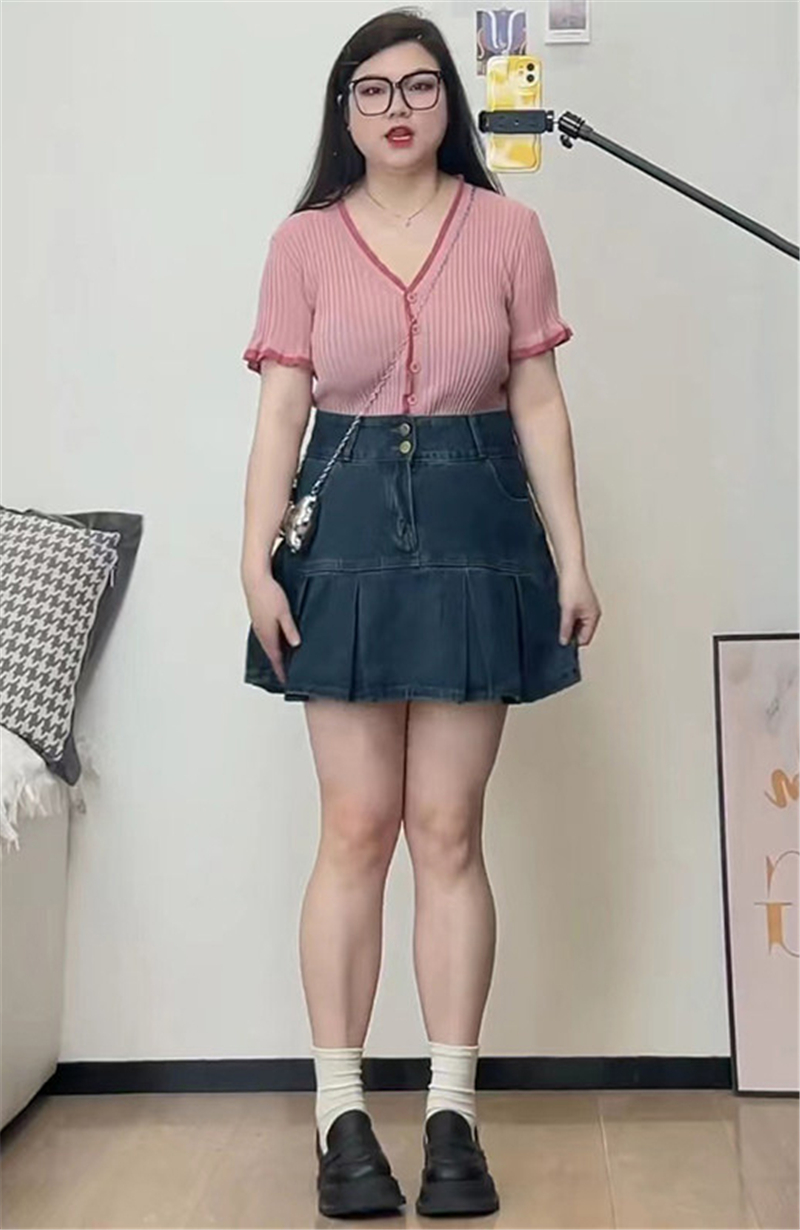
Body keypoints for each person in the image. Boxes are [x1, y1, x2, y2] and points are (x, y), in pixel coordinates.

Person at [239, 6, 602, 1220]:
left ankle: (453, 1114)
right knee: (355, 826)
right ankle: (340, 1115)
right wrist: (252, 559)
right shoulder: (302, 243)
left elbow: (535, 399)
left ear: (450, 101)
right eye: (371, 89)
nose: (396, 108)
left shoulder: (508, 231)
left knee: (446, 828)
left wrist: (572, 556)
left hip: (474, 521)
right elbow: (281, 413)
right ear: (342, 113)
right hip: (338, 531)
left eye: (418, 86)